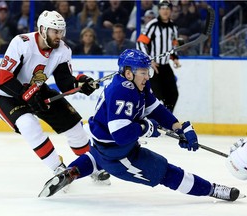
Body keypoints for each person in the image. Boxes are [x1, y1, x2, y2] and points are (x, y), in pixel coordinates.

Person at [38, 49, 242, 202]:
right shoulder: (123, 91)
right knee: (165, 171)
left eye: (147, 71)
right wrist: (146, 128)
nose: (147, 76)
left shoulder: (137, 85)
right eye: (143, 72)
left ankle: (72, 171)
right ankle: (212, 189)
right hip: (119, 153)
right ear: (128, 73)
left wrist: (178, 126)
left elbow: (156, 109)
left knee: (97, 157)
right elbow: (122, 135)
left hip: (102, 145)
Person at [0, 10, 110, 189]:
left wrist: (82, 83)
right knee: (28, 124)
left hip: (37, 90)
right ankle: (57, 168)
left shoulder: (63, 50)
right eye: (55, 31)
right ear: (42, 29)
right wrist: (26, 95)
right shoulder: (22, 43)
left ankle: (92, 165)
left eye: (61, 31)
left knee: (75, 127)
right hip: (8, 96)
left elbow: (65, 82)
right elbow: (3, 78)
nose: (59, 36)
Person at [137, 0, 181, 113]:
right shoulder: (152, 25)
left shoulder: (173, 27)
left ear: (170, 10)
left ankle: (167, 117)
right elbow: (140, 42)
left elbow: (173, 44)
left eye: (167, 8)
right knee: (157, 96)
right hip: (153, 67)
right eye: (162, 8)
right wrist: (149, 61)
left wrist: (174, 58)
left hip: (165, 65)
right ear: (159, 10)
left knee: (173, 94)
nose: (165, 11)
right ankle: (156, 120)